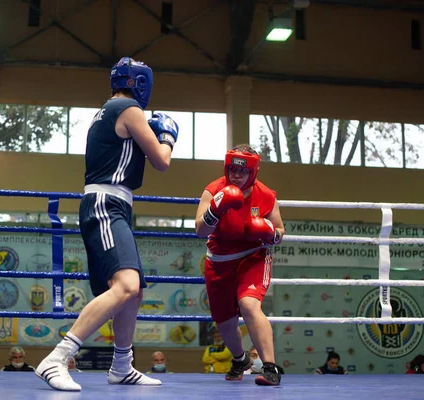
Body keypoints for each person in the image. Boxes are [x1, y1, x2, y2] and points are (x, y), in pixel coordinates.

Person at [36, 56, 178, 392]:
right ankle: (57, 357)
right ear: (138, 83)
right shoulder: (128, 110)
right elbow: (161, 161)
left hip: (111, 205)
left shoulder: (106, 111)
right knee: (127, 286)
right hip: (106, 204)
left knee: (133, 291)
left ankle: (122, 366)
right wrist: (169, 136)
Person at [195, 144, 285, 386]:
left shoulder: (266, 196)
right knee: (224, 321)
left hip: (252, 257)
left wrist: (269, 232)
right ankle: (239, 359)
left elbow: (279, 231)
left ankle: (270, 368)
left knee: (248, 304)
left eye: (242, 171)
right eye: (232, 169)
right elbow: (199, 230)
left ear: (252, 173)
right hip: (219, 261)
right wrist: (215, 209)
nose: (236, 175)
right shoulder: (214, 190)